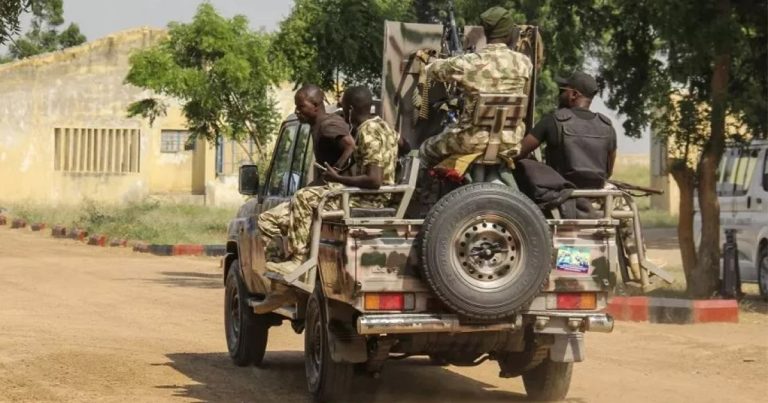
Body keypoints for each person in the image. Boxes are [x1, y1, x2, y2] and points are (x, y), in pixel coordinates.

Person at [254, 86, 399, 312]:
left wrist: (338, 176)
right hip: (372, 196)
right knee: (273, 217)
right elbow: (405, 146)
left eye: (301, 106)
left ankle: (298, 261)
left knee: (303, 197)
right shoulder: (386, 128)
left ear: (349, 109)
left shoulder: (362, 130)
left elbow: (374, 180)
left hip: (367, 199)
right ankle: (282, 288)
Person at [418, 6, 533, 167]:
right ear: (509, 33)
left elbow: (432, 70)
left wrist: (437, 60)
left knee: (425, 149)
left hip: (470, 141)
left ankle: (425, 191)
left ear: (485, 32)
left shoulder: (468, 62)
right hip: (511, 141)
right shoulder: (524, 63)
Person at [516, 71, 617, 189]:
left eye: (562, 91)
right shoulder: (607, 126)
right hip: (596, 189)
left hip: (559, 191)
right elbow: (609, 171)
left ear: (574, 94)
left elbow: (518, 152)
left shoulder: (553, 121)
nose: (560, 95)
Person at [294, 84, 356, 179]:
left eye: (301, 107)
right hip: (337, 185)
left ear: (315, 105)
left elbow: (351, 146)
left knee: (302, 194)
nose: (297, 111)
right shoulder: (319, 125)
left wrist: (335, 171)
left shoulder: (327, 125)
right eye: (296, 107)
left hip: (342, 186)